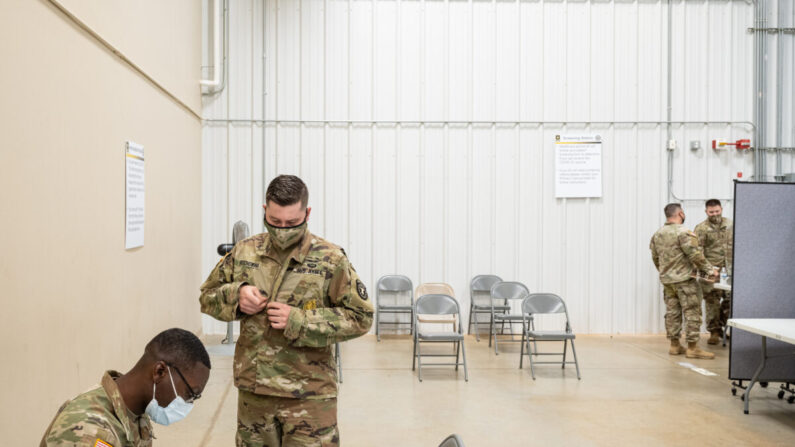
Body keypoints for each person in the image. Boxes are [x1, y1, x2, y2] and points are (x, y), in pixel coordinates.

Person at [200, 174, 373, 447]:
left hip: (310, 396)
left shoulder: (330, 259)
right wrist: (237, 295)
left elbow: (361, 317)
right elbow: (206, 297)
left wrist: (300, 321)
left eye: (292, 223)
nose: (282, 230)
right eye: (275, 221)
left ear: (307, 212)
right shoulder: (245, 252)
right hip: (255, 395)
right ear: (264, 211)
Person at [41, 328, 211, 447]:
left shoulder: (137, 414)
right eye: (190, 394)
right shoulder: (89, 431)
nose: (188, 404)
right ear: (160, 372)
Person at [650, 203, 719, 359]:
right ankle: (693, 348)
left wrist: (666, 272)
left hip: (668, 281)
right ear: (680, 214)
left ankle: (674, 346)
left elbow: (655, 258)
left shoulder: (658, 234)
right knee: (692, 313)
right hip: (685, 281)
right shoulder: (684, 233)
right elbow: (695, 255)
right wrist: (710, 270)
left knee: (672, 313)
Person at [694, 199, 733, 345]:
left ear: (721, 209)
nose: (714, 214)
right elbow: (697, 252)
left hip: (729, 270)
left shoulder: (730, 224)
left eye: (717, 211)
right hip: (711, 271)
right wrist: (707, 270)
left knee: (731, 300)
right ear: (706, 212)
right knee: (712, 301)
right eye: (711, 212)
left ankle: (723, 326)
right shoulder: (701, 228)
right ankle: (714, 331)